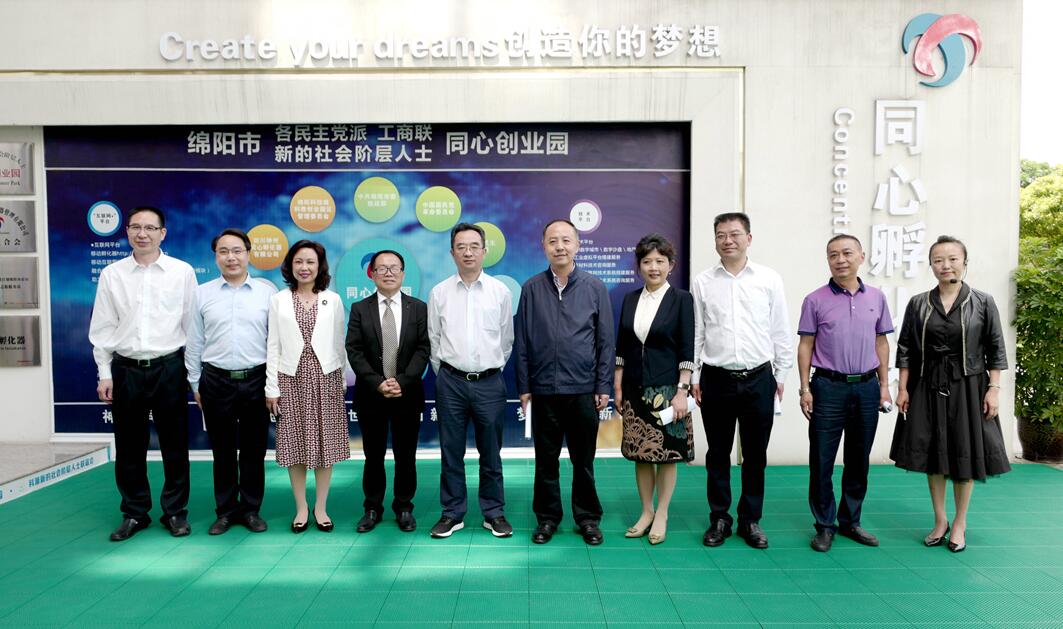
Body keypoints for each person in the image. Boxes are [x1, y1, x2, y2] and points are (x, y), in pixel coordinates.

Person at [891, 235, 1010, 553]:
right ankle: (940, 520)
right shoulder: (918, 303)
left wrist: (994, 389)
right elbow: (906, 349)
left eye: (953, 258)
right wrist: (902, 388)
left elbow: (996, 348)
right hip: (926, 385)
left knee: (964, 453)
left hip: (969, 387)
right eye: (938, 260)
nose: (946, 265)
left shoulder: (983, 302)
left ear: (964, 263)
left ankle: (960, 522)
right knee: (933, 455)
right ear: (931, 265)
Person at [88, 206, 198, 541]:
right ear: (127, 232)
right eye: (136, 227)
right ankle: (135, 513)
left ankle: (175, 512)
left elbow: (192, 327)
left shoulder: (181, 272)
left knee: (175, 444)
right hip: (127, 369)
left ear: (163, 233)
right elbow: (103, 327)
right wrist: (104, 373)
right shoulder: (113, 274)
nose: (142, 234)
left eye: (150, 228)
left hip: (169, 367)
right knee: (129, 446)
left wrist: (192, 375)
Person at [693, 211, 793, 550]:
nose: (728, 240)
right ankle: (719, 518)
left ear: (748, 238)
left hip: (759, 378)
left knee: (755, 454)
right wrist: (694, 375)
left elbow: (780, 330)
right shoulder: (703, 281)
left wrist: (781, 375)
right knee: (717, 453)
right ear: (715, 241)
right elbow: (698, 331)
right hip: (716, 378)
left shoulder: (768, 279)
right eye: (721, 235)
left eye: (735, 234)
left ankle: (751, 519)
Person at [515, 219, 615, 545]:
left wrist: (602, 386)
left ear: (577, 245)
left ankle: (587, 518)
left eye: (566, 240)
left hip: (583, 391)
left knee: (582, 461)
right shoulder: (531, 289)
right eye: (553, 241)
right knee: (545, 462)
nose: (560, 246)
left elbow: (605, 342)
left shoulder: (594, 287)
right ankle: (547, 519)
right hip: (544, 391)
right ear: (543, 246)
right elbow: (523, 342)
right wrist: (524, 387)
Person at [797, 235, 892, 552]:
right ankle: (825, 525)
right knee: (821, 459)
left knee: (858, 458)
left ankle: (851, 521)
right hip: (827, 387)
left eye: (847, 253)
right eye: (833, 255)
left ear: (861, 256)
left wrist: (884, 386)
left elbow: (881, 342)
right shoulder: (815, 300)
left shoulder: (876, 297)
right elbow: (805, 346)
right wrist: (805, 388)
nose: (840, 260)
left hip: (867, 387)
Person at [427, 223, 515, 539]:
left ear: (484, 251)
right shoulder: (439, 292)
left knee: (491, 452)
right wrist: (449, 372)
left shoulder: (500, 292)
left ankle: (494, 513)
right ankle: (452, 513)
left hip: (490, 382)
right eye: (461, 247)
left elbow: (506, 340)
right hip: (450, 381)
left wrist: (488, 369)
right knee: (451, 452)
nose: (468, 252)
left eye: (474, 246)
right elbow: (434, 340)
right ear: (452, 252)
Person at [185, 228, 274, 535]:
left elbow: (274, 342)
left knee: (253, 450)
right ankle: (225, 511)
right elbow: (194, 341)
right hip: (215, 380)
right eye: (223, 251)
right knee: (222, 451)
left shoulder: (266, 293)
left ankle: (250, 510)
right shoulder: (202, 293)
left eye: (237, 251)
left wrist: (272, 384)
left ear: (248, 254)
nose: (231, 257)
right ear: (215, 257)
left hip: (256, 379)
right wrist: (195, 383)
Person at [614, 233, 695, 546]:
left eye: (660, 261)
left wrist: (682, 391)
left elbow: (687, 348)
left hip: (667, 391)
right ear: (639, 266)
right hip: (634, 388)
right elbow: (623, 346)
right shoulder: (630, 299)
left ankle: (662, 513)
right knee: (642, 454)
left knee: (667, 455)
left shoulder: (681, 299)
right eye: (647, 261)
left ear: (671, 265)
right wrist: (618, 386)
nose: (653, 267)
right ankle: (646, 511)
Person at [265, 240, 349, 533]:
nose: (304, 267)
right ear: (290, 266)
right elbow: (272, 345)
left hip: (326, 378)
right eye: (298, 261)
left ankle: (320, 507)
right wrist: (271, 388)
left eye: (310, 262)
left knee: (326, 445)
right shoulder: (279, 300)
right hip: (290, 378)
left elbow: (339, 343)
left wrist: (340, 381)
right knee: (295, 445)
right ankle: (301, 507)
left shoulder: (332, 300)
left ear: (319, 266)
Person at [346, 250, 430, 534]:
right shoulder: (360, 308)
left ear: (403, 274)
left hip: (407, 394)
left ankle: (404, 507)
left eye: (394, 268)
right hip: (372, 395)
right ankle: (372, 508)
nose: (389, 273)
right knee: (374, 455)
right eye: (382, 268)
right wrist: (377, 382)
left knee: (406, 455)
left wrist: (402, 381)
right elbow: (354, 350)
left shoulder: (418, 308)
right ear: (372, 274)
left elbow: (423, 348)